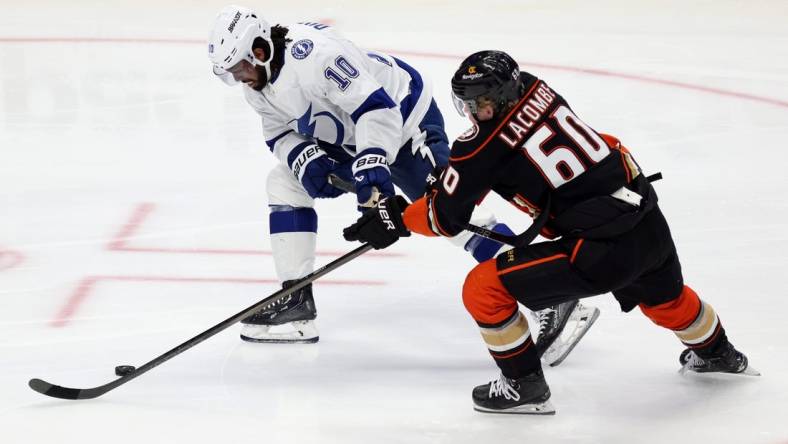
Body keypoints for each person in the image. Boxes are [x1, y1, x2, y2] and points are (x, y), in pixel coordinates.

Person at [343, 50, 757, 414]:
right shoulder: (538, 88)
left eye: (483, 101)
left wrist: (396, 219)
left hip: (598, 247)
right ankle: (719, 353)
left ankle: (524, 388)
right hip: (644, 216)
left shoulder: (480, 146)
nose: (476, 110)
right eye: (471, 102)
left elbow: (444, 218)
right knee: (666, 299)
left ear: (503, 94)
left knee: (483, 288)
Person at [207, 6, 537, 344]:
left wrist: (372, 164)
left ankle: (540, 287)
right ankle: (297, 298)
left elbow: (376, 108)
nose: (238, 78)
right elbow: (278, 132)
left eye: (239, 68)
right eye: (230, 73)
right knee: (283, 183)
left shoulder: (316, 58)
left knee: (443, 209)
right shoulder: (256, 85)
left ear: (259, 51)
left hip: (404, 116)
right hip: (349, 134)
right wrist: (303, 159)